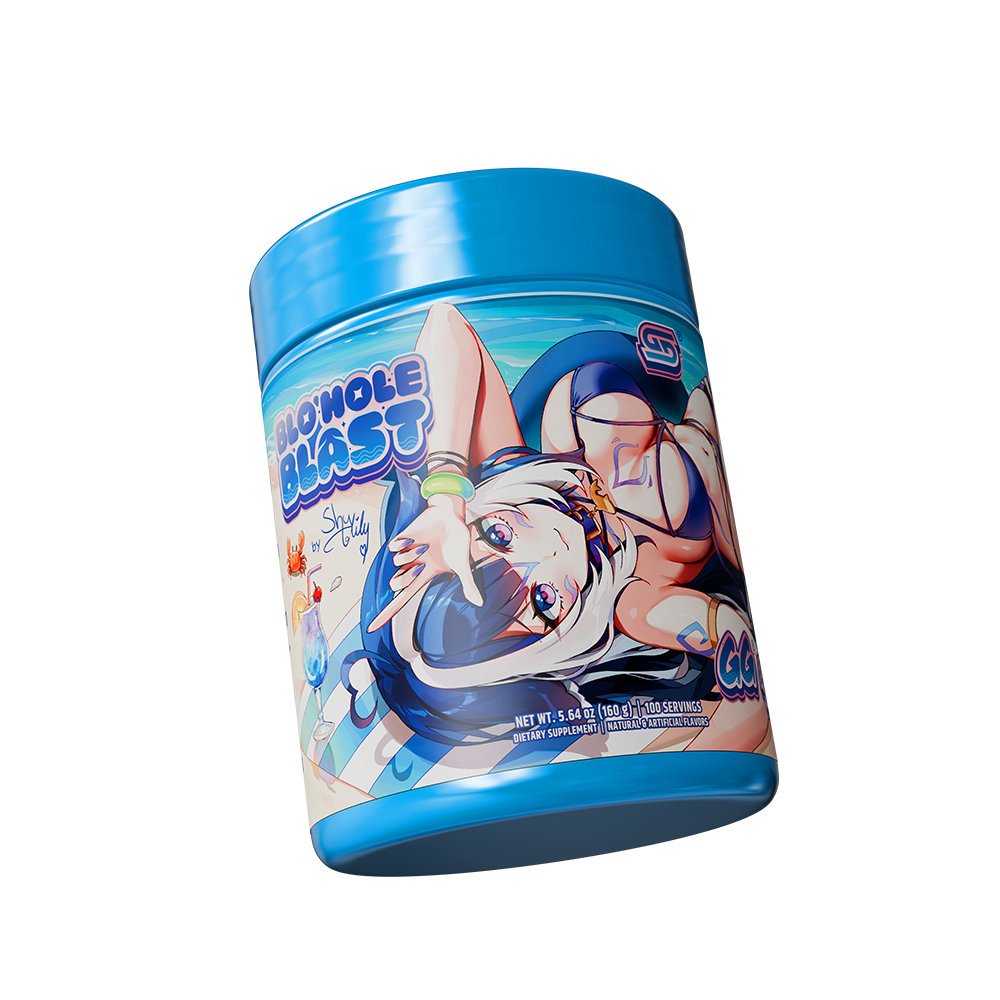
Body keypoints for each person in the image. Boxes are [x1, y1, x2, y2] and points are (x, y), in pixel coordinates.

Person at [349, 303, 769, 752]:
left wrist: (446, 497)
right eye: (544, 602)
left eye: (498, 537)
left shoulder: (519, 473)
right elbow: (741, 696)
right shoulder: (632, 604)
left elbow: (446, 322)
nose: (549, 552)